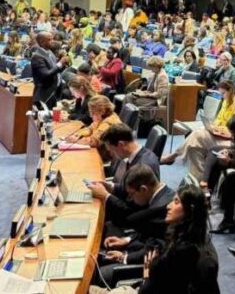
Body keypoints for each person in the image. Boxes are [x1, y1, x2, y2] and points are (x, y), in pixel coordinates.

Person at [90, 184, 219, 294]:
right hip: (143, 285)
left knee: (89, 289)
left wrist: (147, 276)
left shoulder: (184, 252)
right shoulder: (185, 235)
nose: (168, 206)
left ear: (190, 211)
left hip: (142, 288)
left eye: (176, 202)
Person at [95, 164, 176, 284]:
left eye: (131, 194)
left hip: (147, 265)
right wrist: (126, 240)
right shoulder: (162, 194)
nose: (130, 198)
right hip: (141, 247)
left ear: (143, 189)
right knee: (100, 254)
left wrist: (123, 256)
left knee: (97, 273)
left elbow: (153, 250)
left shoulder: (161, 208)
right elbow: (148, 229)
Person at [161, 81, 235, 179]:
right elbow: (219, 118)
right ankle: (198, 179)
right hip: (219, 131)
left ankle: (173, 156)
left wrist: (219, 129)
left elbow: (232, 126)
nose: (222, 96)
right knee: (195, 141)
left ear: (230, 91)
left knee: (195, 137)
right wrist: (214, 127)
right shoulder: (225, 101)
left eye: (223, 93)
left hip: (227, 136)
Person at [87, 124, 162, 221]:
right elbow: (129, 190)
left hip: (134, 220)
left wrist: (105, 195)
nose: (111, 155)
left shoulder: (143, 166)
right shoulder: (139, 155)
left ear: (121, 144)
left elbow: (132, 210)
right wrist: (111, 187)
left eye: (111, 150)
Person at [67, 95, 123, 161]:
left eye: (92, 112)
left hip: (104, 157)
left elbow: (94, 142)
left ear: (102, 111)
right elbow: (89, 128)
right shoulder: (102, 118)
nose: (91, 115)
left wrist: (76, 141)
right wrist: (78, 135)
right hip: (99, 152)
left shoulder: (108, 123)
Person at [30, 31, 69, 106]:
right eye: (49, 39)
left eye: (52, 39)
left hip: (55, 91)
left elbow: (55, 70)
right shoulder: (37, 57)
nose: (53, 41)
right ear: (42, 42)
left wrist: (63, 65)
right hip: (45, 94)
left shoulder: (50, 52)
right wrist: (60, 63)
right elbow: (46, 75)